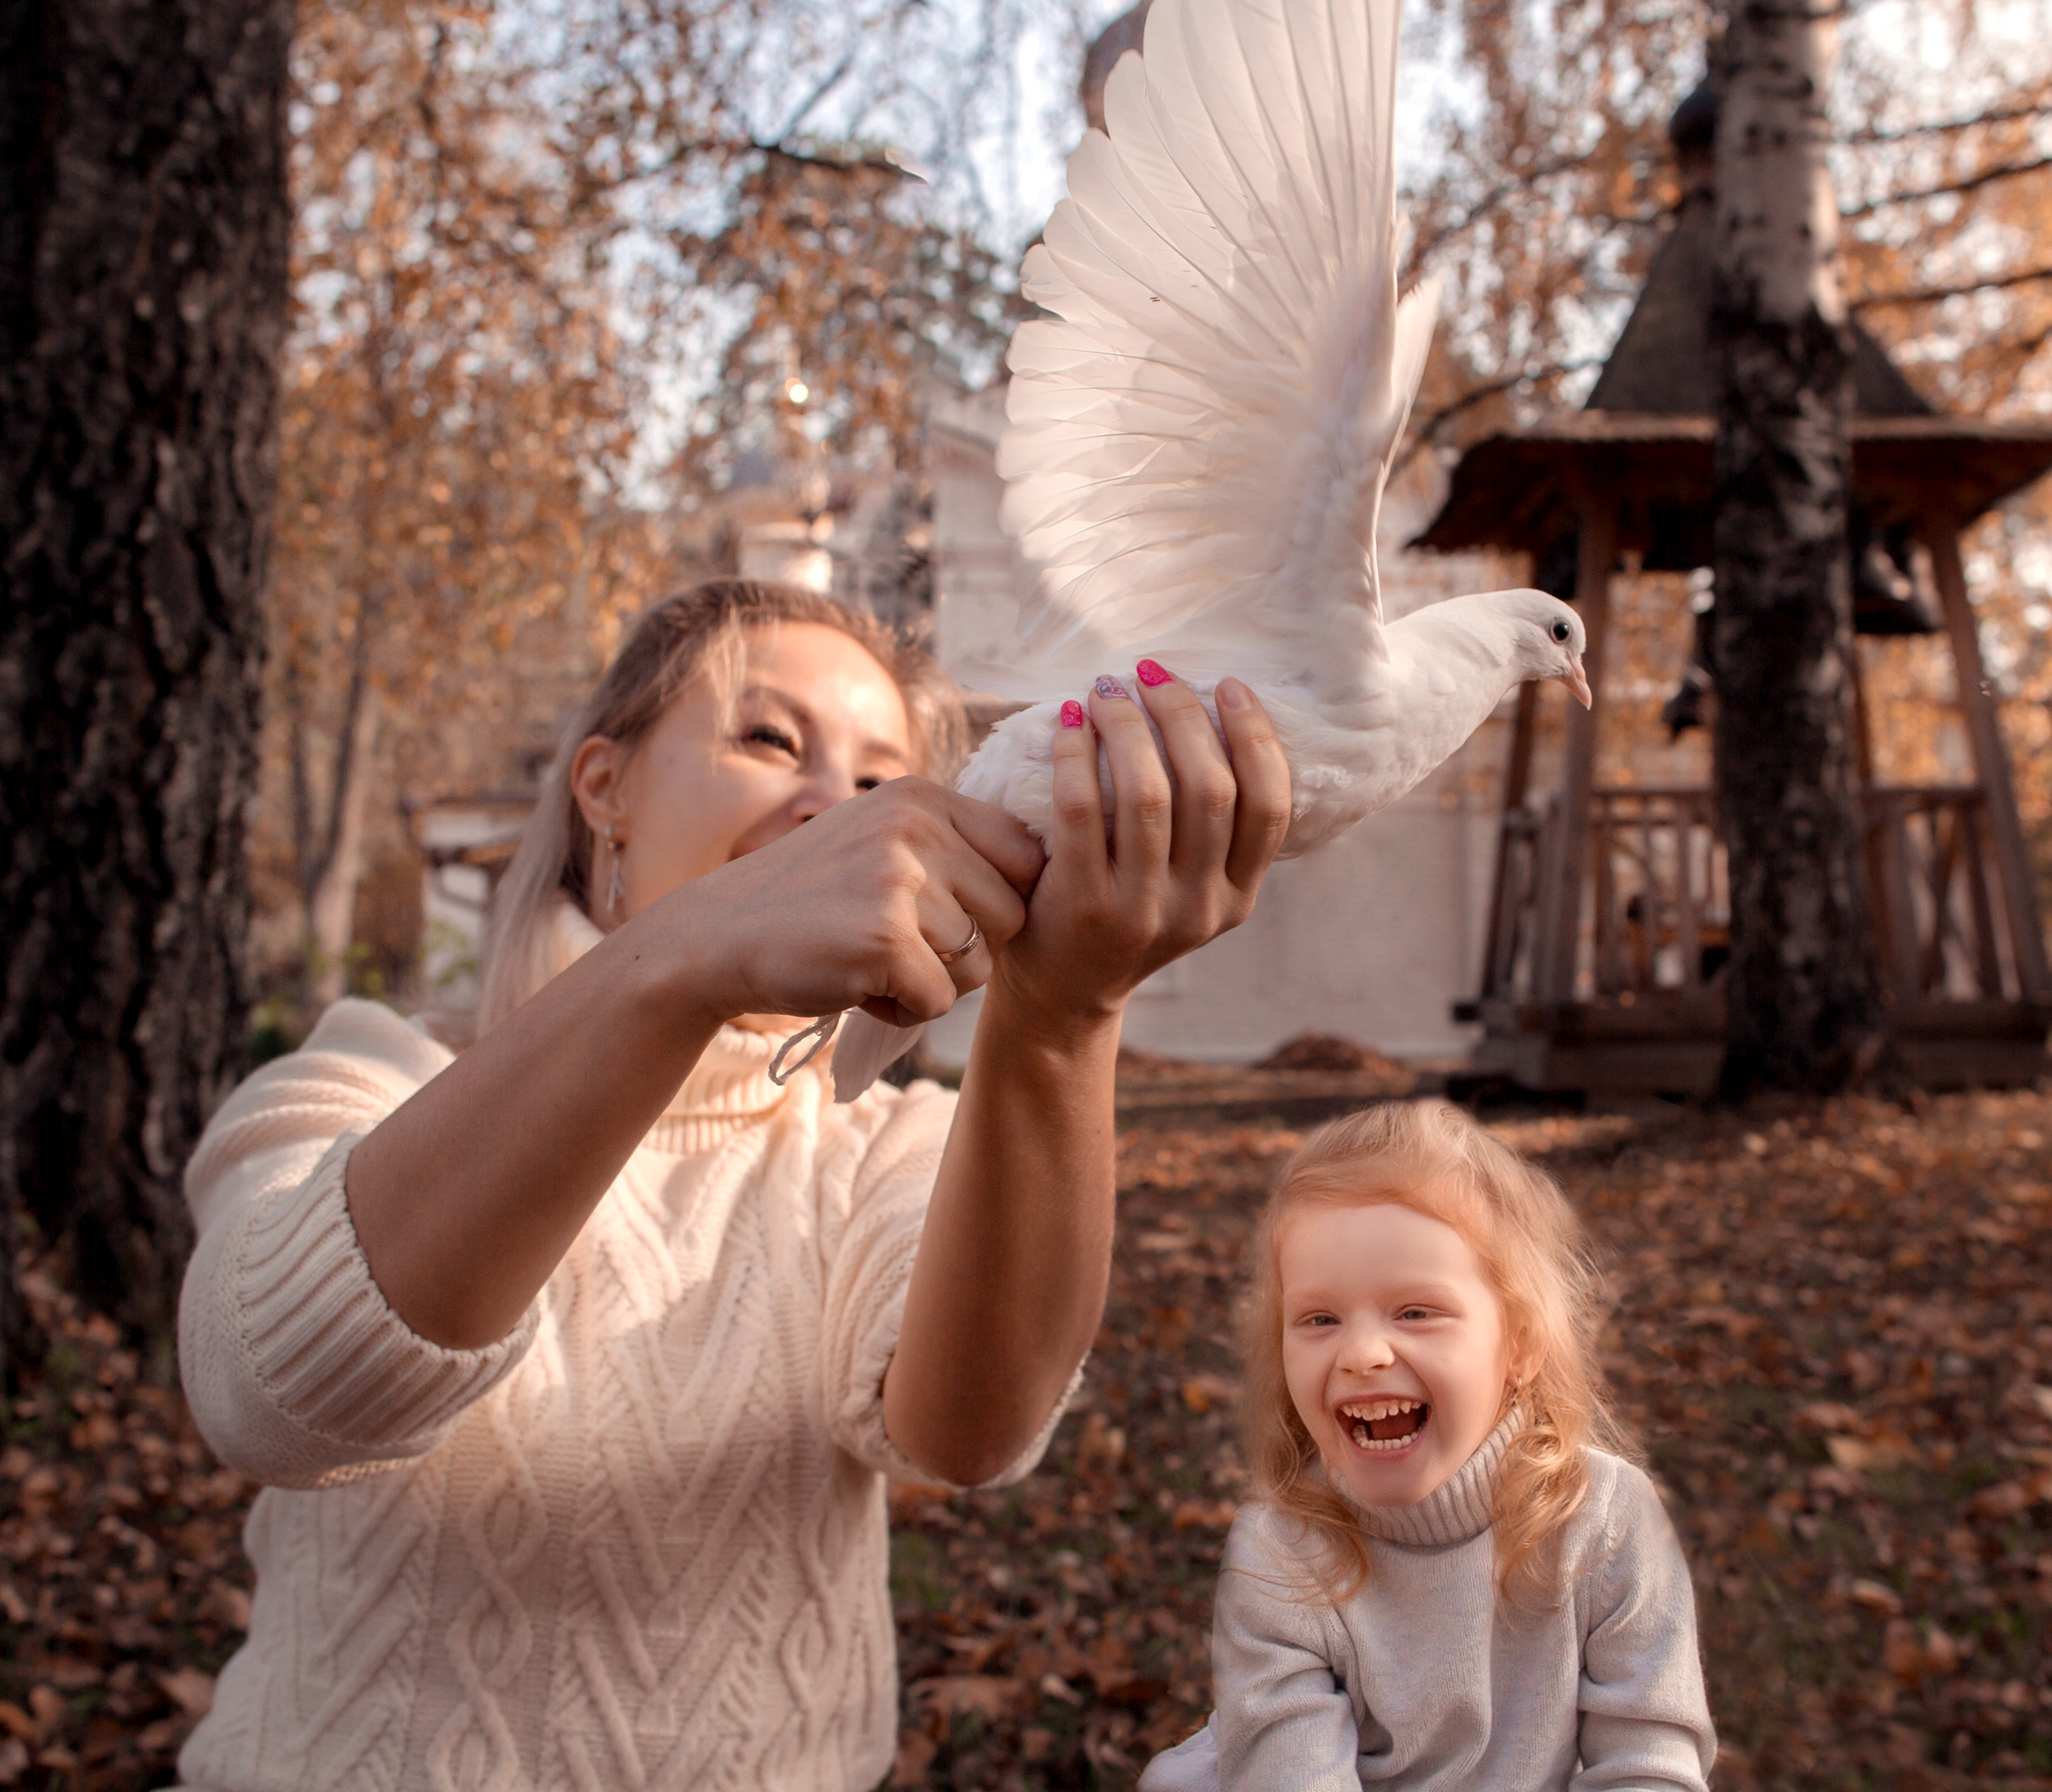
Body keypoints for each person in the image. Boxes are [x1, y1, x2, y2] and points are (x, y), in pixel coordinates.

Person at [175, 578, 1290, 1791]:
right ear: (604, 787)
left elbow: (966, 1436)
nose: (836, 810)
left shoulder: (888, 1146)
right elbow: (269, 1390)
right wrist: (686, 960)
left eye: (881, 786)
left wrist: (1066, 1016)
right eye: (767, 739)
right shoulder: (372, 1077)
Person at [1141, 1101, 1715, 1790]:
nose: (1362, 1353)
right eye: (1319, 1318)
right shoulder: (1283, 1552)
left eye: (1416, 1312)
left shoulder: (1607, 1521)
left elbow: (1649, 1764)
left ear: (1522, 1345)